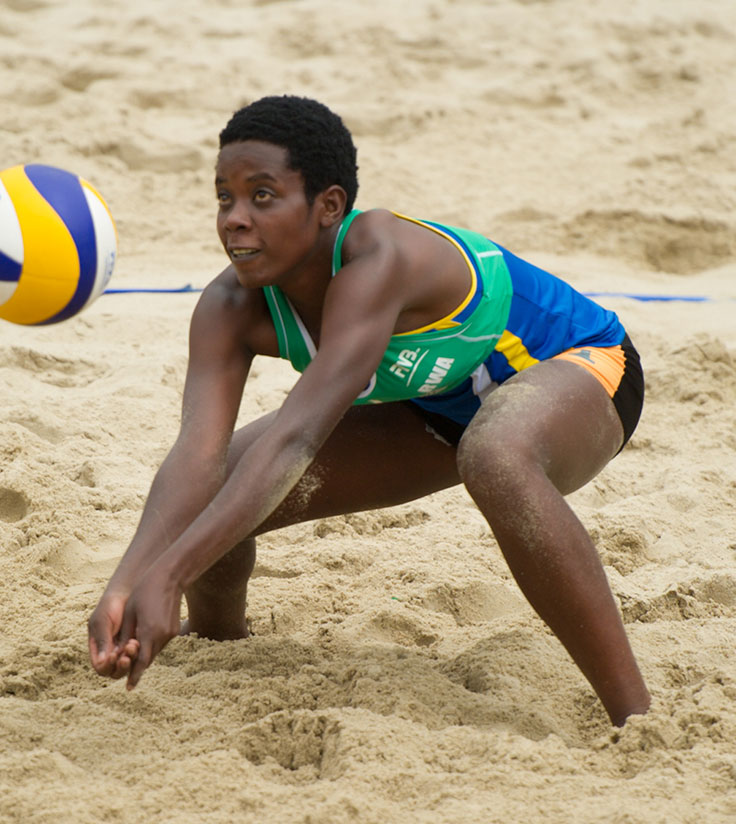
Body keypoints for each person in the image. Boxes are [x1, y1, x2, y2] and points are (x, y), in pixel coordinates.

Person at [87, 94, 651, 726]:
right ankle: (219, 646)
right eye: (225, 198)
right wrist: (130, 581)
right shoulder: (229, 309)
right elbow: (195, 455)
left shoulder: (379, 256)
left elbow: (298, 437)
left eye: (262, 196)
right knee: (221, 484)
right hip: (438, 407)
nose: (235, 219)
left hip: (579, 369)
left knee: (494, 454)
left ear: (328, 206)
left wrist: (170, 570)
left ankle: (637, 719)